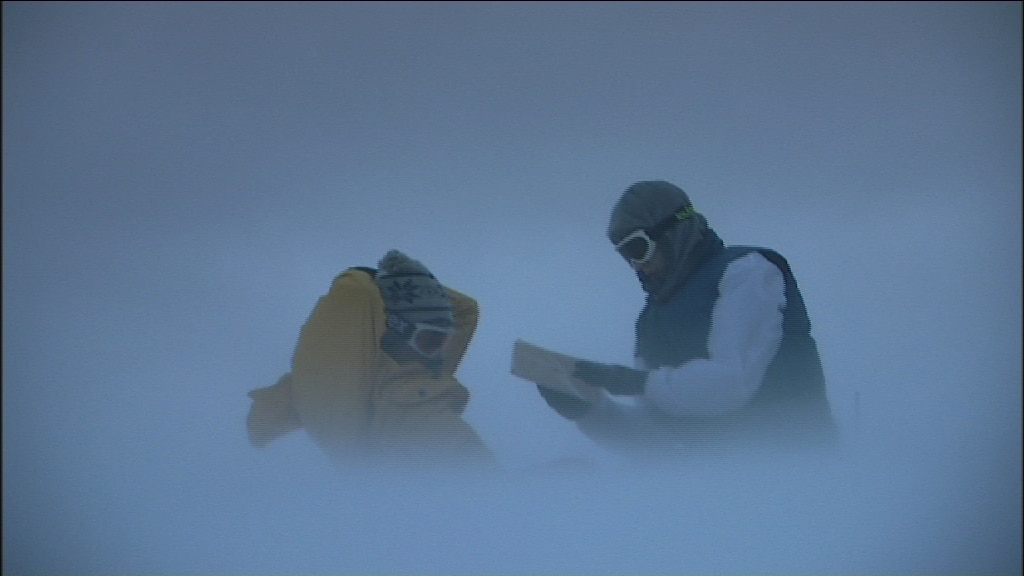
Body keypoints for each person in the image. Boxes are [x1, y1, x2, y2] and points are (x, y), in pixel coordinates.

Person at [536, 180, 839, 460]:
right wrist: (591, 412)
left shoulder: (746, 272)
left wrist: (636, 382)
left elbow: (732, 382)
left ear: (674, 233)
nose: (637, 266)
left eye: (638, 249)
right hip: (712, 489)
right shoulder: (652, 320)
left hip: (792, 471)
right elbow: (658, 443)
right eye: (625, 256)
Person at [246, 249, 494, 469]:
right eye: (431, 341)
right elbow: (487, 496)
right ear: (394, 335)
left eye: (448, 341)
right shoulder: (420, 418)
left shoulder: (296, 403)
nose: (441, 354)